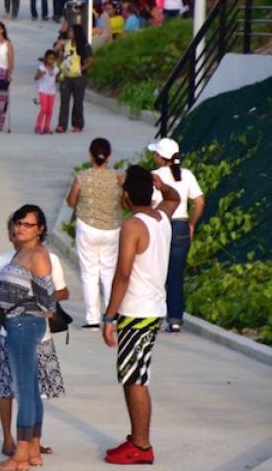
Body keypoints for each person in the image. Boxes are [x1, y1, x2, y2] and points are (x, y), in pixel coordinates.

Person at [0, 208, 69, 463]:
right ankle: (32, 451)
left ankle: (20, 456)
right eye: (19, 223)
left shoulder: (39, 255)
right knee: (31, 390)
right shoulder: (21, 253)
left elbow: (48, 300)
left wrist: (24, 305)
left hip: (24, 326)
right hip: (17, 325)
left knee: (24, 392)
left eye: (28, 225)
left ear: (40, 229)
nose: (21, 228)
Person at [101, 166, 181, 466]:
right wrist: (161, 185)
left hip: (137, 311)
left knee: (135, 378)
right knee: (132, 375)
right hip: (152, 309)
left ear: (125, 197)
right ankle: (136, 437)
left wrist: (109, 317)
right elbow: (174, 197)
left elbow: (123, 274)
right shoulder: (161, 217)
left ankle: (142, 445)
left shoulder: (133, 225)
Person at [148, 138, 206, 333]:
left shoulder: (155, 176)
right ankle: (175, 319)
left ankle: (153, 315)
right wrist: (191, 224)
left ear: (160, 157)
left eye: (156, 153)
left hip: (161, 225)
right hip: (181, 226)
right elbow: (199, 202)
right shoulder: (187, 175)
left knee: (156, 273)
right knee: (176, 275)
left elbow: (151, 204)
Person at [67, 137, 123, 327]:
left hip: (87, 228)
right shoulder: (118, 177)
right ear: (109, 156)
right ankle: (112, 315)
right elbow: (125, 202)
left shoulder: (82, 176)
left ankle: (92, 319)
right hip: (112, 229)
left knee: (89, 273)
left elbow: (71, 201)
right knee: (109, 272)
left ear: (90, 155)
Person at [55, 25, 91, 133]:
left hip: (79, 77)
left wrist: (80, 69)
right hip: (66, 76)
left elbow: (90, 60)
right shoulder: (66, 44)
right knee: (64, 101)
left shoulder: (85, 46)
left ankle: (77, 124)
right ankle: (62, 124)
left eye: (71, 31)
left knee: (78, 102)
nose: (69, 33)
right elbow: (59, 55)